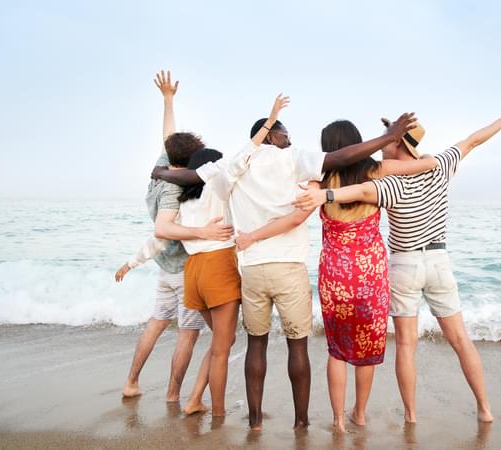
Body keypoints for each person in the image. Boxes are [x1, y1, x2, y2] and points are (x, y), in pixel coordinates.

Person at [155, 107, 418, 431]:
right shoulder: (301, 166)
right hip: (311, 270)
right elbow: (355, 164)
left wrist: (162, 174)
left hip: (259, 269)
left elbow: (193, 177)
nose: (289, 139)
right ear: (270, 134)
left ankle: (253, 422)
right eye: (284, 133)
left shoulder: (240, 166)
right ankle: (305, 422)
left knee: (257, 344)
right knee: (302, 346)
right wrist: (392, 140)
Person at [294, 99, 501, 424]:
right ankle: (485, 409)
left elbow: (358, 191)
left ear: (399, 143)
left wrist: (326, 194)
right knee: (460, 340)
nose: (383, 143)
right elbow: (473, 140)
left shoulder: (388, 183)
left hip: (404, 265)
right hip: (439, 261)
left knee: (406, 344)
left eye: (389, 139)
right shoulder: (440, 164)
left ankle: (411, 415)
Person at [237, 119, 436, 432]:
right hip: (371, 273)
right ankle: (360, 413)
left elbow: (295, 215)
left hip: (335, 274)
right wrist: (409, 147)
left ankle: (339, 420)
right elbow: (422, 167)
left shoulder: (320, 179)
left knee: (338, 350)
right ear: (357, 142)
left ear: (328, 147)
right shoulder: (375, 172)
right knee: (367, 350)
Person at [153, 94, 290, 418]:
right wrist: (270, 120)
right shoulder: (219, 180)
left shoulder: (184, 197)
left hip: (193, 272)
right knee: (220, 349)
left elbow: (170, 149)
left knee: (220, 344)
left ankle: (194, 399)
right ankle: (216, 415)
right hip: (218, 266)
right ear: (212, 166)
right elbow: (248, 151)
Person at [114, 70, 232, 403]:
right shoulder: (175, 185)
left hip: (164, 266)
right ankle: (173, 395)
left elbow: (168, 138)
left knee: (156, 322)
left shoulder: (163, 167)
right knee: (188, 333)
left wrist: (168, 100)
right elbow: (163, 230)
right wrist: (204, 231)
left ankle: (132, 382)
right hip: (183, 268)